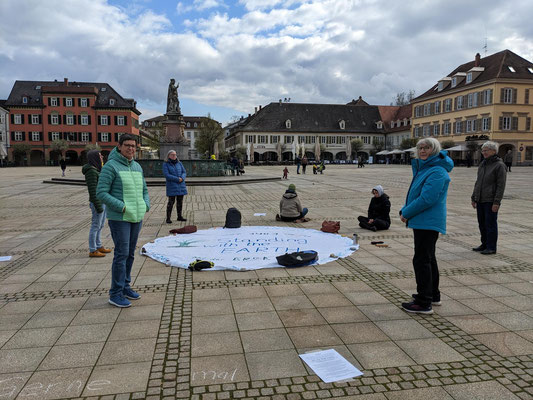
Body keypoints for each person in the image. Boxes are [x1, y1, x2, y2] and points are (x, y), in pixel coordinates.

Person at [399, 138, 453, 314]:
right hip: (423, 220)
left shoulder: (437, 171)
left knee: (422, 260)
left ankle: (424, 302)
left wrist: (406, 213)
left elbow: (427, 199)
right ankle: (432, 295)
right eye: (420, 148)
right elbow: (418, 195)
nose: (423, 151)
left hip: (428, 221)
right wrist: (405, 209)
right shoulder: (426, 169)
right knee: (429, 258)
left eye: (427, 148)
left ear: (435, 150)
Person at [97, 134, 150, 308]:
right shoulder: (110, 167)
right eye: (127, 145)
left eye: (134, 146)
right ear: (119, 146)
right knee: (121, 254)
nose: (131, 149)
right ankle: (115, 293)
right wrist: (122, 207)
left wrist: (145, 205)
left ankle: (126, 286)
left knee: (130, 254)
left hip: (136, 216)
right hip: (120, 218)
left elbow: (144, 189)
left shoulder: (137, 166)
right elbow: (101, 193)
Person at [471, 141, 507, 255]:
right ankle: (484, 244)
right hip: (480, 198)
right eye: (483, 150)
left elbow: (501, 185)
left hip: (490, 200)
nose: (483, 152)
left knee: (490, 224)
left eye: (486, 150)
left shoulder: (499, 165)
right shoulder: (483, 164)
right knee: (481, 223)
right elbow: (478, 182)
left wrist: (497, 202)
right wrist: (474, 197)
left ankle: (491, 247)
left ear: (493, 151)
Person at [83, 150, 111, 257]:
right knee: (95, 225)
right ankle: (92, 249)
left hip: (102, 201)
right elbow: (93, 190)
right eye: (99, 155)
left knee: (100, 225)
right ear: (94, 157)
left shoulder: (96, 169)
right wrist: (98, 205)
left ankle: (98, 245)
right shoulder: (91, 171)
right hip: (97, 202)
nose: (102, 157)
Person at [163, 150, 188, 223]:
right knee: (171, 202)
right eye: (172, 155)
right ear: (169, 156)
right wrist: (177, 179)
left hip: (181, 185)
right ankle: (168, 218)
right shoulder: (166, 164)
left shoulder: (179, 163)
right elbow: (167, 175)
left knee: (180, 202)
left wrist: (182, 178)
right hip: (172, 186)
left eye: (175, 154)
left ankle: (179, 216)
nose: (174, 156)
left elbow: (184, 172)